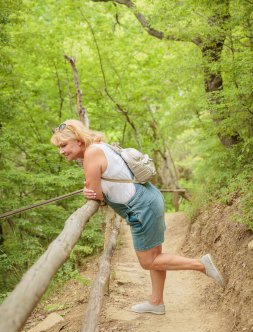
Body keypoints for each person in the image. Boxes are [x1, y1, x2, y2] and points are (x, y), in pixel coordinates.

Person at [51, 119, 224, 315]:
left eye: (64, 145)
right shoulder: (99, 146)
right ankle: (156, 302)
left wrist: (89, 191)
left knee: (148, 261)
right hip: (149, 197)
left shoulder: (91, 153)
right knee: (156, 256)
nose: (61, 151)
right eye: (59, 147)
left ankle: (201, 265)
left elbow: (96, 195)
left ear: (79, 140)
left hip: (140, 208)